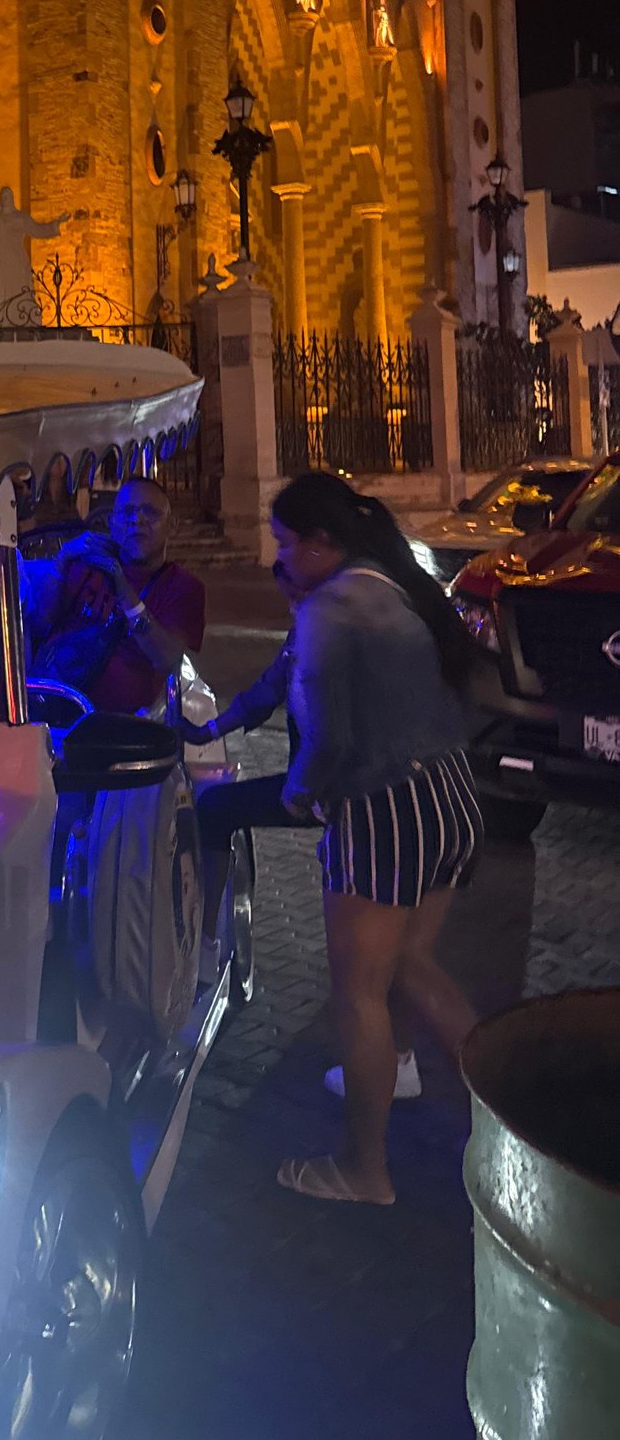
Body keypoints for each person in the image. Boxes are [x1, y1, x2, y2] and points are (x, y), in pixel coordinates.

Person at [269, 472, 482, 1206]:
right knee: (412, 965)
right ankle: (503, 1120)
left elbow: (327, 737)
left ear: (320, 543)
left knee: (358, 991)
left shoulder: (331, 606)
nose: (282, 558)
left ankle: (366, 1169)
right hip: (450, 794)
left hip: (386, 809)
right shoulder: (393, 583)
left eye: (285, 543)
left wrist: (299, 789)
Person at [189, 564, 425, 1099]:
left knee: (373, 965)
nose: (293, 606)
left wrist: (304, 794)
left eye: (297, 594)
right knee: (400, 957)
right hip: (361, 799)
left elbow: (330, 735)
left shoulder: (335, 635)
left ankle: (427, 1082)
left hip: (357, 802)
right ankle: (404, 1063)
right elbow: (269, 688)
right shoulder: (311, 630)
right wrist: (209, 729)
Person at [35, 477, 205, 714]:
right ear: (112, 523)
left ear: (171, 525)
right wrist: (62, 559)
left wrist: (123, 588)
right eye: (127, 512)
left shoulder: (183, 587)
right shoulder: (86, 565)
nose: (137, 520)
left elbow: (166, 657)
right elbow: (40, 622)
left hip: (119, 727)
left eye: (151, 512)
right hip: (54, 703)